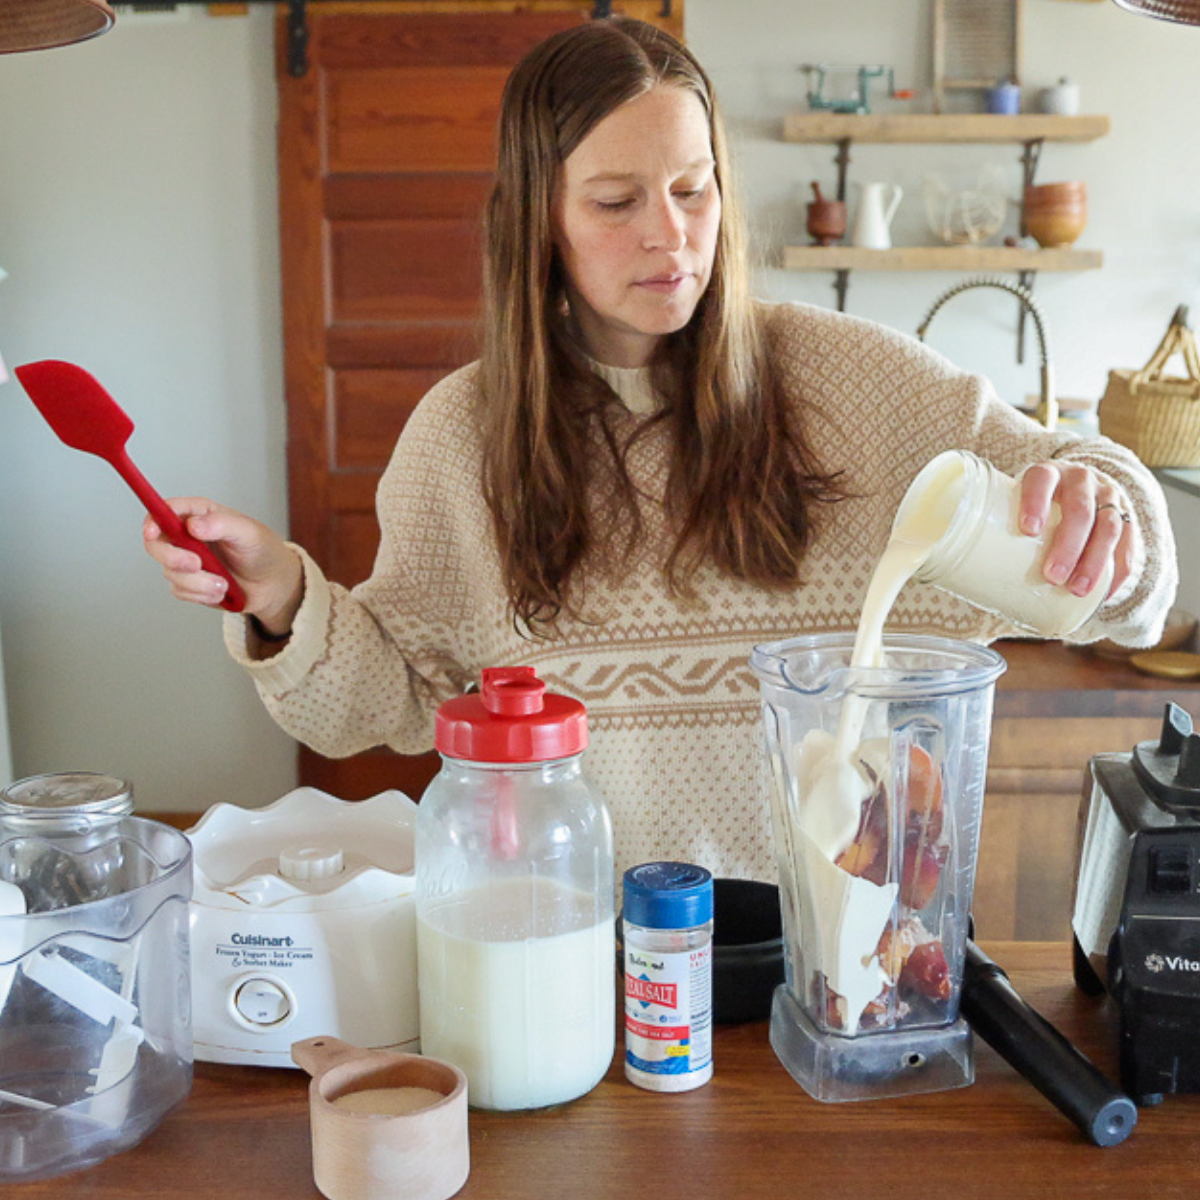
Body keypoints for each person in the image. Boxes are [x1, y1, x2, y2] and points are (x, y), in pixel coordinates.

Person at [144, 18, 1176, 883]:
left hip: (844, 962)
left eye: (693, 191)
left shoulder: (853, 382)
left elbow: (1102, 520)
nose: (670, 236)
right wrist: (283, 595)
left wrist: (1104, 513)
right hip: (581, 962)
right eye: (615, 201)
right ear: (537, 217)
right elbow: (392, 700)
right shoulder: (460, 441)